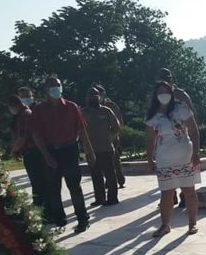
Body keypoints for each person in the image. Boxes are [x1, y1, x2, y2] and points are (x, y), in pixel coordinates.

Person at [30, 77, 95, 233]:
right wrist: (46, 155)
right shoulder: (39, 110)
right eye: (51, 86)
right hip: (50, 150)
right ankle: (59, 219)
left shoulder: (71, 107)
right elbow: (36, 135)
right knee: (53, 188)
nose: (55, 88)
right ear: (45, 90)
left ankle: (82, 219)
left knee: (75, 187)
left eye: (58, 85)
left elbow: (81, 130)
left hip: (69, 149)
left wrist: (89, 150)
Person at [146, 81, 201, 237]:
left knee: (189, 190)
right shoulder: (153, 115)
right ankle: (165, 225)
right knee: (166, 192)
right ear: (156, 95)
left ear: (171, 93)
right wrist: (149, 159)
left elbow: (194, 131)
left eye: (166, 91)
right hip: (164, 159)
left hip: (185, 156)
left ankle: (192, 223)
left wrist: (196, 153)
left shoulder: (181, 109)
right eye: (160, 92)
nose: (163, 95)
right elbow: (150, 139)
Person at [7, 93, 50, 218]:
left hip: (33, 153)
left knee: (38, 184)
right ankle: (43, 210)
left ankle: (43, 212)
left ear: (14, 105)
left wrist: (13, 151)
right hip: (32, 152)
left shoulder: (24, 116)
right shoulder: (25, 113)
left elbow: (22, 137)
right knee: (39, 183)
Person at [157, 68, 194, 207]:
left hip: (181, 139)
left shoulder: (181, 95)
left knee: (184, 174)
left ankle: (184, 197)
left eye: (168, 78)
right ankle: (170, 197)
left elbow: (191, 114)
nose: (166, 81)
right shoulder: (156, 96)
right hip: (164, 141)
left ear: (172, 79)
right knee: (167, 176)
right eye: (163, 78)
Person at [81, 87, 121, 206]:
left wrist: (109, 137)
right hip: (91, 150)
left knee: (110, 174)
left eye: (96, 95)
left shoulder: (106, 111)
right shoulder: (83, 113)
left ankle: (112, 198)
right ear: (87, 97)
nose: (94, 97)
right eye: (91, 95)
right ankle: (99, 198)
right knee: (96, 175)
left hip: (106, 148)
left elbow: (116, 127)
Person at [95, 84, 126, 189]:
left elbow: (119, 121)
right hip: (99, 139)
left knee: (115, 159)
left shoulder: (111, 106)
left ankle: (120, 179)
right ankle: (109, 180)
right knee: (103, 161)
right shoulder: (93, 108)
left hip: (112, 137)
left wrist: (113, 135)